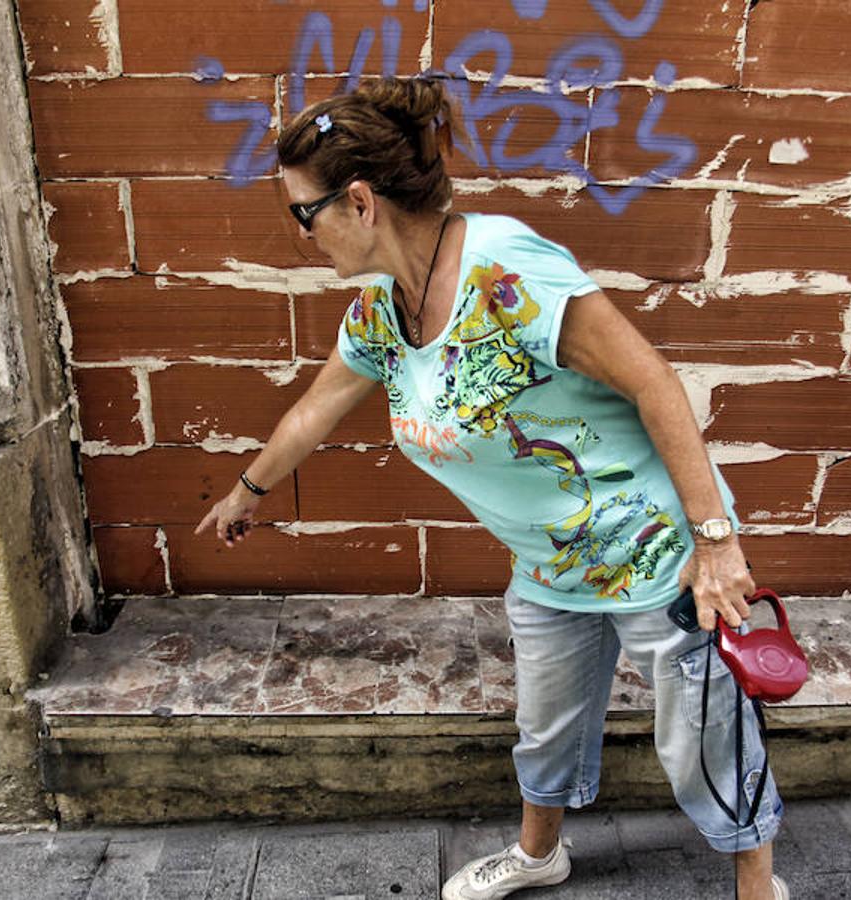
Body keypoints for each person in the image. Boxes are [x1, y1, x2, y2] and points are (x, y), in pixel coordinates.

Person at [195, 75, 788, 900]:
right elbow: (319, 404)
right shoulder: (381, 308)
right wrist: (247, 492)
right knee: (543, 730)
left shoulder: (509, 272)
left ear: (360, 203)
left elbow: (654, 382)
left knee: (703, 734)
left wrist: (717, 543)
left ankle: (757, 884)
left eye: (304, 213)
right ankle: (541, 854)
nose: (301, 234)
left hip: (657, 555)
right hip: (549, 568)